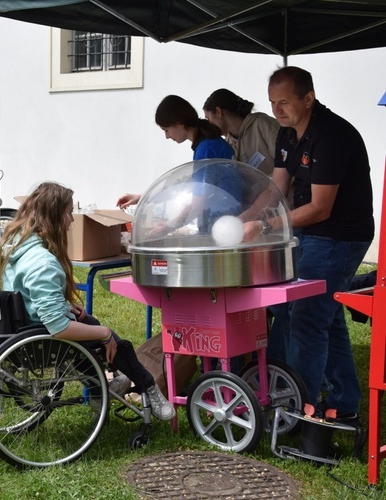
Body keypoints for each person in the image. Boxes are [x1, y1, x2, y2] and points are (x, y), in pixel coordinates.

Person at [244, 66, 374, 422]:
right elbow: (276, 188)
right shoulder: (287, 135)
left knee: (307, 319)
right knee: (322, 318)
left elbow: (320, 208)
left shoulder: (332, 135)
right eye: (272, 102)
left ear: (308, 98)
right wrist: (243, 218)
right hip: (309, 233)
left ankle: (296, 409)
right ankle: (344, 404)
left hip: (340, 235)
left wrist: (265, 225)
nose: (277, 110)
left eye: (284, 102)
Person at [0, 181, 176, 421]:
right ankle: (147, 387)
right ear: (55, 216)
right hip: (43, 337)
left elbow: (26, 292)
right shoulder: (43, 263)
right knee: (113, 341)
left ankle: (105, 387)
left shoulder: (17, 245)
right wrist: (103, 333)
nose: (71, 220)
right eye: (69, 212)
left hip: (23, 322)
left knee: (90, 322)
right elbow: (58, 328)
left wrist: (64, 305)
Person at [202, 89, 293, 362]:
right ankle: (259, 355)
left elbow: (282, 173)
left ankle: (280, 361)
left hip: (276, 216)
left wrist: (253, 216)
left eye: (209, 117)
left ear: (219, 112)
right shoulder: (231, 140)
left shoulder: (262, 124)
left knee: (282, 299)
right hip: (255, 217)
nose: (208, 124)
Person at [117, 95, 240, 235]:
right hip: (225, 224)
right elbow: (187, 185)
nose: (167, 136)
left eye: (166, 130)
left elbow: (197, 204)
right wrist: (142, 197)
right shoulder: (210, 143)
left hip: (222, 227)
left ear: (179, 123)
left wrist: (168, 227)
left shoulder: (206, 149)